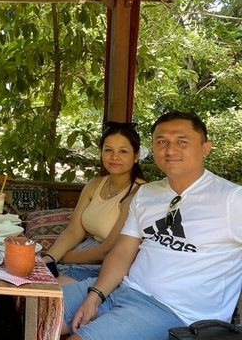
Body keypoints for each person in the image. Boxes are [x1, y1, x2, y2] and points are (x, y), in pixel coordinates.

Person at [62, 111, 242, 340]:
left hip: (174, 313)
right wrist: (96, 295)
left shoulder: (232, 199)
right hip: (121, 289)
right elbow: (123, 252)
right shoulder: (147, 193)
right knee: (38, 310)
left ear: (205, 148)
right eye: (162, 142)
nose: (170, 149)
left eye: (181, 141)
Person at [41, 122, 146, 284]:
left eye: (123, 151)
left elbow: (107, 251)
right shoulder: (95, 184)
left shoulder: (138, 193)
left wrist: (64, 257)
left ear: (136, 155)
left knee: (49, 295)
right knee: (31, 278)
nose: (114, 157)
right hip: (84, 252)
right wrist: (48, 258)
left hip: (107, 264)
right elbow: (74, 231)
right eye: (108, 150)